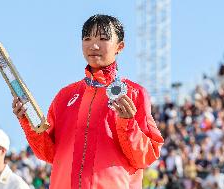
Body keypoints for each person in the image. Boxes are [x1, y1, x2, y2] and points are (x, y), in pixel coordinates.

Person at [12, 14, 164, 189]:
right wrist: (27, 120)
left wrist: (128, 123)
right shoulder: (65, 96)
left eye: (103, 38)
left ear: (120, 47)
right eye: (87, 38)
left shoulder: (134, 94)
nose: (94, 45)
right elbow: (48, 153)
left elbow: (145, 157)